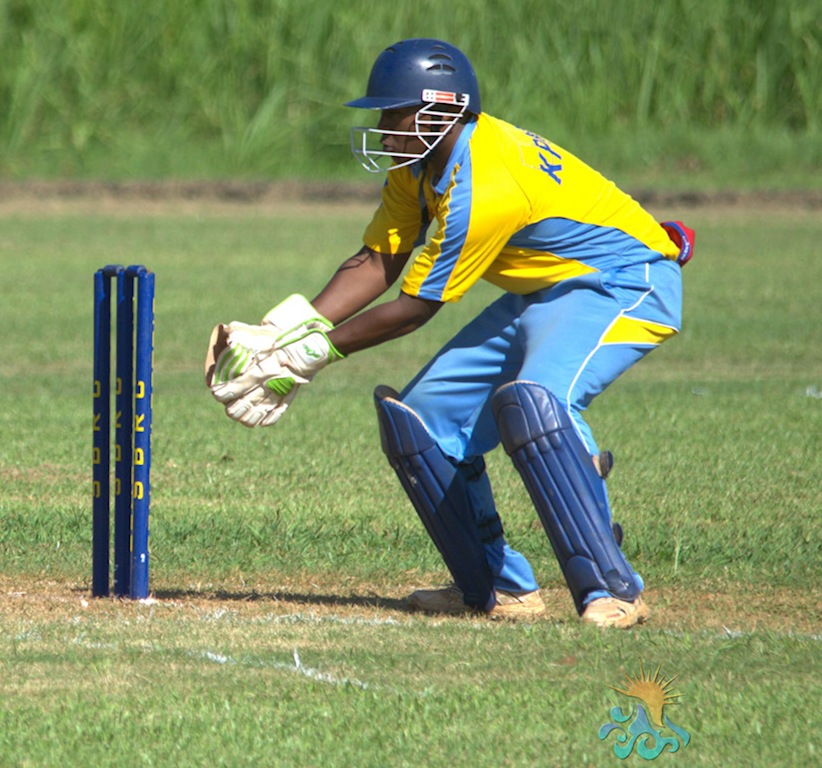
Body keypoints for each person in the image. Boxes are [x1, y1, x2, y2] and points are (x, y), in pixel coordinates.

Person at [204, 39, 693, 629]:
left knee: (537, 402)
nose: (383, 129)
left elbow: (414, 306)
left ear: (440, 110)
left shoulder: (482, 184)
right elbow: (380, 259)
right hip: (542, 290)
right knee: (420, 422)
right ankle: (497, 588)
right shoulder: (420, 165)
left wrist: (315, 354)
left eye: (393, 114)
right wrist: (288, 328)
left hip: (623, 282)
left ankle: (613, 590)